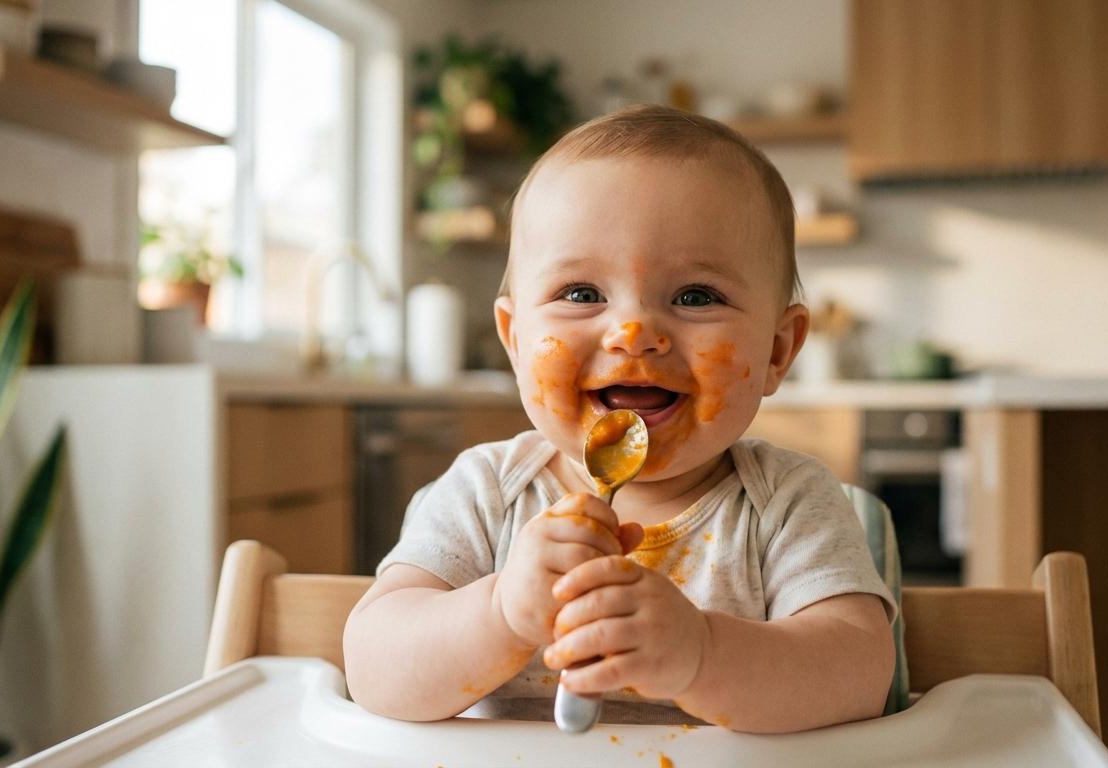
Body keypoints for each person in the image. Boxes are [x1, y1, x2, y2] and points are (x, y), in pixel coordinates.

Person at [344, 105, 894, 733]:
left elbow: (860, 674)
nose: (633, 334)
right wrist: (502, 612)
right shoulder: (488, 494)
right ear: (516, 340)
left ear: (777, 351)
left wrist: (703, 654)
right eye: (582, 294)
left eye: (695, 296)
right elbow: (373, 668)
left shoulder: (787, 504)